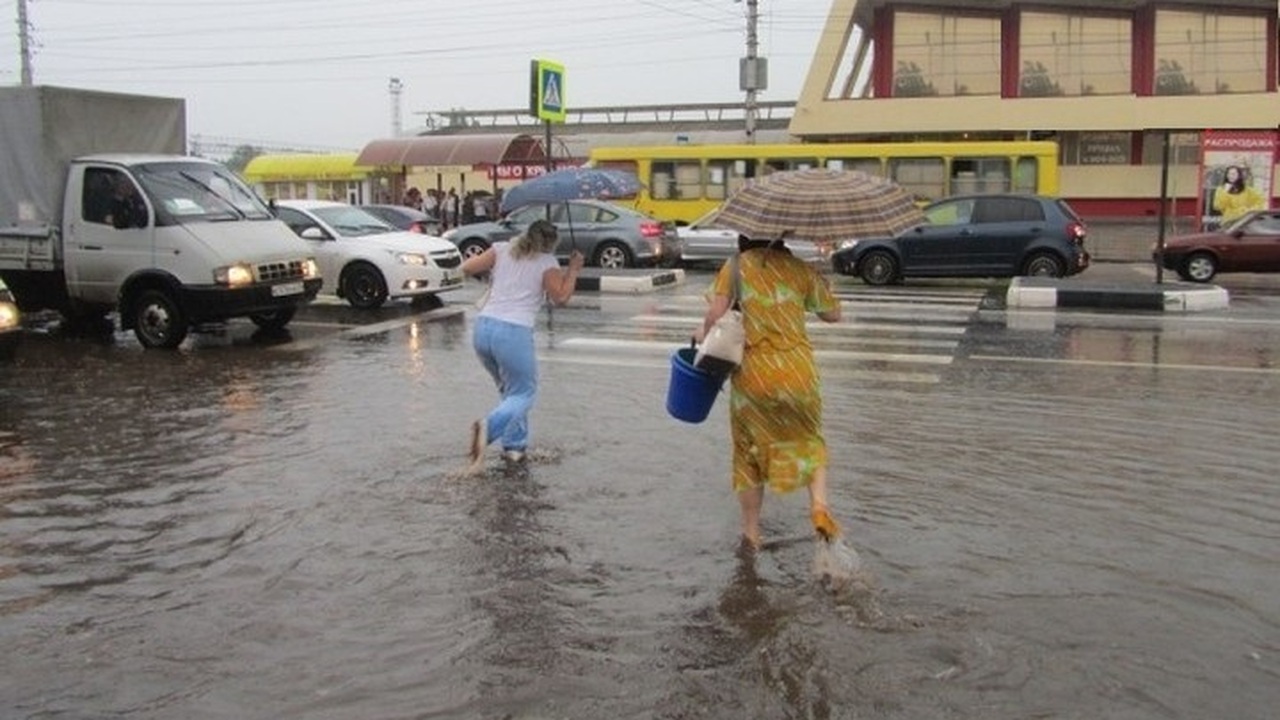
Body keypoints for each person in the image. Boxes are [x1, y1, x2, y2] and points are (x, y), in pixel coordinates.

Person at [696, 234, 842, 550]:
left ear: (743, 237)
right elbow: (833, 315)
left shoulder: (735, 267)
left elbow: (716, 313)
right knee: (810, 441)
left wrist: (700, 334)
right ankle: (819, 506)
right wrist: (824, 285)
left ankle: (751, 533)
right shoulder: (801, 269)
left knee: (748, 455)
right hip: (799, 376)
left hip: (753, 379)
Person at [461, 219, 585, 471]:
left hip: (483, 328)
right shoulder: (546, 263)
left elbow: (466, 267)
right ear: (550, 243)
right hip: (513, 332)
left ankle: (514, 447)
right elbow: (561, 297)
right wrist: (573, 270)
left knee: (510, 392)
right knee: (524, 393)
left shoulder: (501, 249)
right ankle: (488, 427)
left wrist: (497, 278)